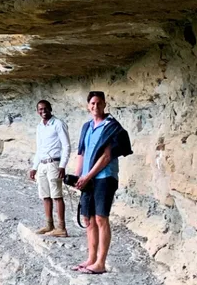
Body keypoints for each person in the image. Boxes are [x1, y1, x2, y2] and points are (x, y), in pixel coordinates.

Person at [72, 91, 133, 275]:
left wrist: (87, 176)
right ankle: (91, 259)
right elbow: (81, 152)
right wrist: (77, 176)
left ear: (105, 104)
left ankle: (101, 263)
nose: (95, 106)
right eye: (92, 103)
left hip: (104, 177)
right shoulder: (87, 126)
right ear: (88, 105)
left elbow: (106, 156)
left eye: (99, 103)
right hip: (87, 178)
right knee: (88, 219)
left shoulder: (111, 126)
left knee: (100, 218)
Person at [28, 99, 70, 237]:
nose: (43, 111)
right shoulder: (40, 126)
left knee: (57, 195)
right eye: (40, 109)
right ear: (37, 111)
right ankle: (49, 224)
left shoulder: (58, 124)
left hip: (54, 163)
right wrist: (34, 167)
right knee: (45, 195)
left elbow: (66, 146)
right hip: (42, 164)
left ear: (50, 108)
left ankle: (61, 228)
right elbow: (39, 148)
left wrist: (62, 165)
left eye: (46, 108)